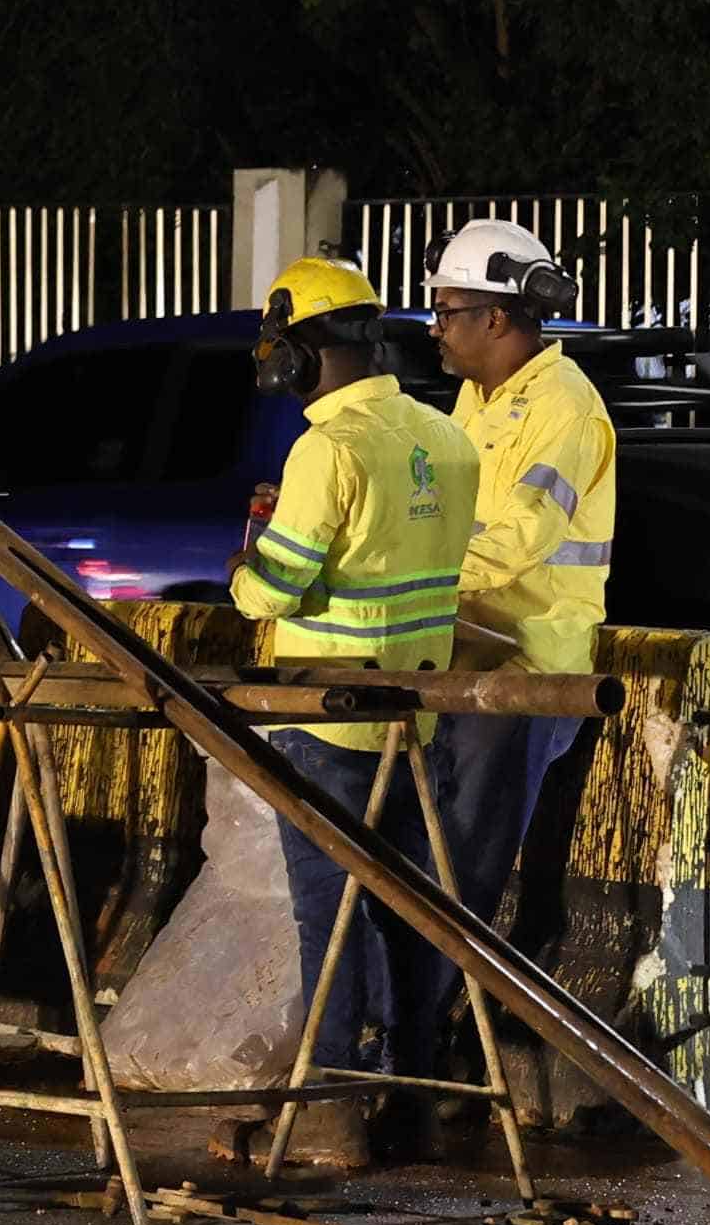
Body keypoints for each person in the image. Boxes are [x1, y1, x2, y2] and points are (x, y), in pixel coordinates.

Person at [226, 255, 481, 1160]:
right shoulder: (449, 440)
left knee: (327, 913)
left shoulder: (325, 450)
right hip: (419, 721)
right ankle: (415, 1095)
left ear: (304, 353)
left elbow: (279, 589)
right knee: (415, 908)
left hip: (329, 724)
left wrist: (245, 568)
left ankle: (330, 1107)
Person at [422, 219, 611, 939]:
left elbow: (522, 537)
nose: (435, 328)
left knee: (461, 876)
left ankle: (416, 1038)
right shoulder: (479, 398)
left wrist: (413, 576)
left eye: (447, 313)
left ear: (495, 316)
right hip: (466, 655)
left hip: (528, 670)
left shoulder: (564, 406)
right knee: (430, 864)